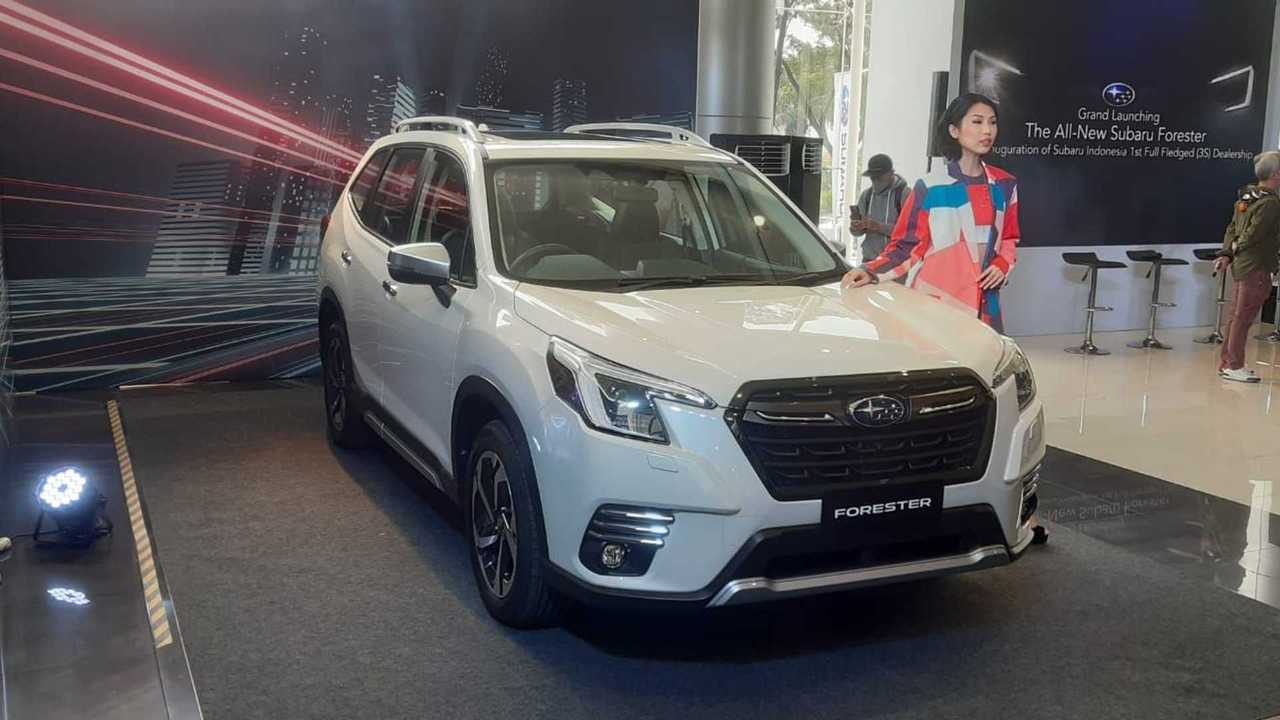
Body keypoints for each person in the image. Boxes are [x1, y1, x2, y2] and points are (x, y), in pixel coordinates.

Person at [842, 93, 1020, 332]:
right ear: (954, 130)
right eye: (977, 122)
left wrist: (1002, 264)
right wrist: (870, 270)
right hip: (936, 303)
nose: (987, 130)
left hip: (986, 303)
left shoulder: (1004, 184)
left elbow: (1009, 238)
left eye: (992, 122)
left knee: (988, 354)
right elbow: (906, 246)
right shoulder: (930, 186)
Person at [1214, 150, 1280, 383]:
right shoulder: (1270, 203)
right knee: (1242, 317)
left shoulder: (1246, 197)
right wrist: (1233, 249)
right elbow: (1253, 234)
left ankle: (1227, 362)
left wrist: (1227, 253)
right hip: (1257, 266)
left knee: (1236, 316)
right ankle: (1234, 365)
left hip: (1242, 265)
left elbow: (1232, 228)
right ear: (1275, 174)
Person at [850, 153, 909, 266]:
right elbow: (857, 233)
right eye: (873, 177)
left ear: (891, 173)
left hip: (895, 263)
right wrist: (855, 227)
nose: (875, 181)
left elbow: (908, 233)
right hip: (869, 260)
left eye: (879, 177)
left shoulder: (905, 195)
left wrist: (878, 227)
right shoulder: (866, 195)